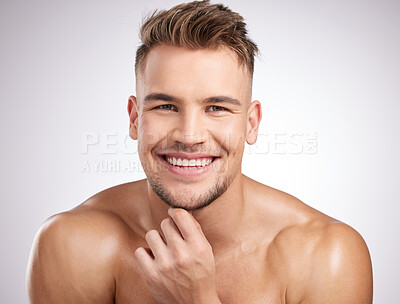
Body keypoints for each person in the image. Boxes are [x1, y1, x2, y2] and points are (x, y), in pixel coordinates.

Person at [26, 1, 373, 303]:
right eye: (165, 106)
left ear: (251, 124)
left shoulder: (326, 256)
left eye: (217, 108)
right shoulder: (73, 245)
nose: (190, 137)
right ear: (134, 119)